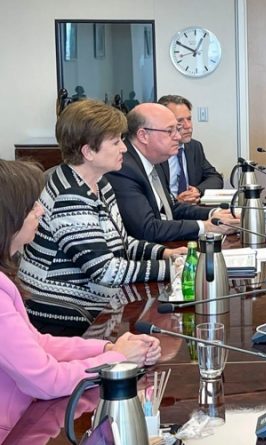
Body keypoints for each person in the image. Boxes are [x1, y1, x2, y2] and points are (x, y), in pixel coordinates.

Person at [0, 159, 161, 441]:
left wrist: (107, 348)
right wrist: (117, 359)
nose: (41, 211)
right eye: (32, 207)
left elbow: (38, 343)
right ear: (9, 219)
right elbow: (46, 380)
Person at [17, 100, 186, 336]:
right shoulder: (70, 196)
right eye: (116, 142)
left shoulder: (100, 183)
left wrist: (165, 253)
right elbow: (104, 270)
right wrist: (172, 268)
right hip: (65, 317)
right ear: (88, 152)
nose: (124, 148)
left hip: (96, 308)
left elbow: (122, 242)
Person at [105, 103, 239, 243]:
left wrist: (214, 213)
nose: (178, 136)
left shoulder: (154, 159)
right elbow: (147, 229)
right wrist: (205, 227)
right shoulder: (123, 169)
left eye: (177, 129)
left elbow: (170, 208)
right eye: (170, 131)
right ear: (143, 135)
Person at [157, 94, 223, 204]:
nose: (188, 126)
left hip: (192, 209)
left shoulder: (194, 147)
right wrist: (176, 202)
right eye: (180, 121)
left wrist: (197, 191)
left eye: (189, 119)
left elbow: (215, 178)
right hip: (166, 211)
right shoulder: (155, 151)